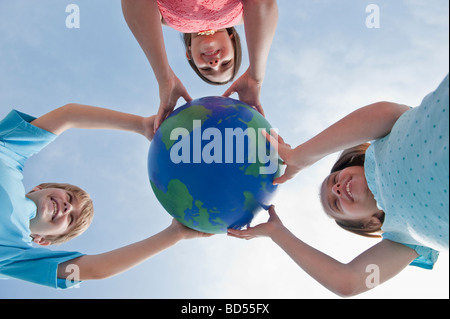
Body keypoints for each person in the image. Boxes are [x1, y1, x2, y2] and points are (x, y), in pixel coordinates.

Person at [228, 74, 449, 297]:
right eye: (336, 204)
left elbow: (384, 113)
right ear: (366, 223)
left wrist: (300, 156)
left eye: (334, 179)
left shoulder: (383, 140)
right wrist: (277, 233)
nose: (336, 189)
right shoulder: (402, 239)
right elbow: (348, 283)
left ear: (353, 165)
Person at [0, 103, 211, 288]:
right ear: (39, 187)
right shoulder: (10, 153)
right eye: (69, 199)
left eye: (71, 218)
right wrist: (142, 125)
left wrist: (175, 233)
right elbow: (69, 114)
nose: (67, 207)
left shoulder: (14, 256)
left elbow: (94, 269)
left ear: (43, 241)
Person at [121, 0, 278, 131]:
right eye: (226, 63)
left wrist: (164, 78)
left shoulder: (162, 18)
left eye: (206, 69)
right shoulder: (243, 13)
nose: (214, 64)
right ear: (232, 41)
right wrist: (255, 77)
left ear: (189, 54)